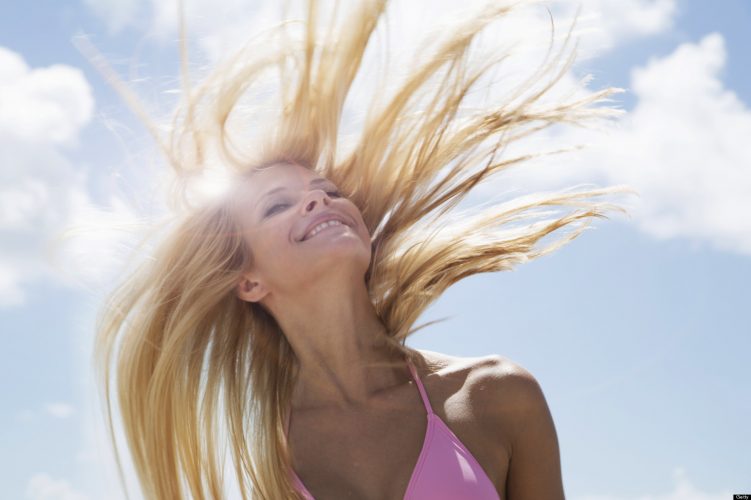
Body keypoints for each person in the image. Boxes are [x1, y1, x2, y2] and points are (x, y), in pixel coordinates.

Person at [92, 0, 633, 498]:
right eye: (278, 206)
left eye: (326, 192)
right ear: (249, 281)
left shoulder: (493, 394)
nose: (317, 202)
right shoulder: (259, 458)